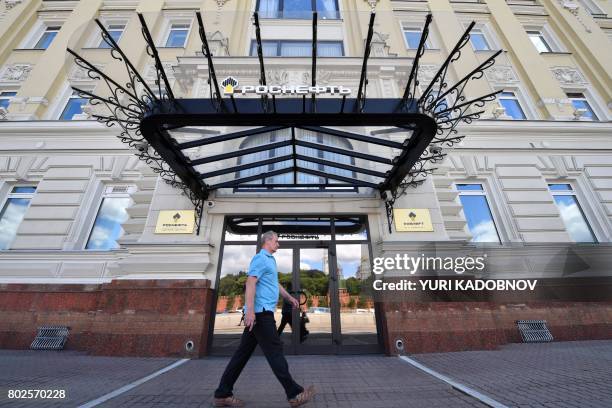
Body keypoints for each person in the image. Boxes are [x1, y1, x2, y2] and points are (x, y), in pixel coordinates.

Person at [213, 231, 316, 407]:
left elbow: (274, 283)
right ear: (268, 241)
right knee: (275, 351)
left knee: (242, 355)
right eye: (276, 241)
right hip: (260, 315)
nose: (278, 244)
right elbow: (250, 282)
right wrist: (251, 312)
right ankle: (294, 394)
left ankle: (222, 394)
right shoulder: (260, 259)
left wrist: (289, 298)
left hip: (260, 314)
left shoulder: (270, 260)